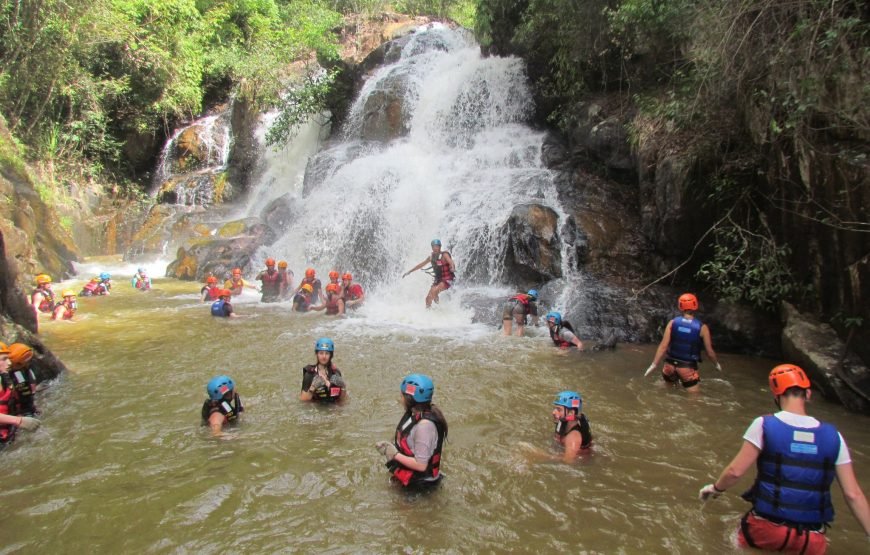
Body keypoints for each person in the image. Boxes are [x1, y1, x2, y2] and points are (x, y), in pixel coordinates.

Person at [699, 364, 870, 553]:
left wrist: (715, 489)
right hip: (811, 538)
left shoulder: (764, 424)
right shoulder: (834, 436)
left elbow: (734, 472)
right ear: (808, 394)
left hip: (766, 528)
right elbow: (853, 494)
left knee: (731, 539)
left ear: (776, 395)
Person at [375, 373, 447, 488]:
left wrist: (394, 454)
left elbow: (421, 465)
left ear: (409, 399)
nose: (400, 399)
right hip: (411, 478)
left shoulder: (424, 427)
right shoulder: (414, 415)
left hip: (421, 485)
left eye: (402, 396)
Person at [644, 293, 721, 392]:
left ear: (680, 306)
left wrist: (653, 365)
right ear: (695, 306)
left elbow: (663, 346)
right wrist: (716, 364)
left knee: (667, 393)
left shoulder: (672, 323)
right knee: (694, 401)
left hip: (669, 367)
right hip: (687, 368)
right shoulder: (702, 328)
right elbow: (709, 352)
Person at [0, 343, 41, 447]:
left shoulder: (4, 379)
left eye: (9, 358)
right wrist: (18, 421)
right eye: (4, 359)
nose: (9, 363)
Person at [402, 239, 456, 308]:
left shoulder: (444, 255)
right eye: (433, 246)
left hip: (447, 279)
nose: (435, 248)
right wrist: (409, 271)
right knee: (428, 299)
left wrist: (452, 267)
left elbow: (451, 262)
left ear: (440, 247)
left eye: (437, 246)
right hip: (438, 280)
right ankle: (431, 312)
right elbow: (421, 265)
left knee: (434, 292)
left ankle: (439, 304)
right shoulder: (431, 257)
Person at [299, 338, 346, 403]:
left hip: (333, 410)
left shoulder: (336, 373)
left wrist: (343, 388)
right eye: (321, 353)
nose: (324, 356)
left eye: (327, 353)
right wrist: (312, 388)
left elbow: (342, 400)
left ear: (331, 355)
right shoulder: (309, 375)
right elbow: (303, 401)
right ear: (317, 354)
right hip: (316, 409)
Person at [552, 390, 592, 462]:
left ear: (571, 413)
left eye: (558, 409)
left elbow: (568, 461)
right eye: (554, 408)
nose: (553, 412)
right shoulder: (563, 422)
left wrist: (540, 455)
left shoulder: (573, 438)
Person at [6, 343, 39, 416]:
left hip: (26, 408)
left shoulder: (23, 372)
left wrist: (33, 406)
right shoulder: (8, 375)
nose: (28, 364)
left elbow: (26, 391)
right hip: (17, 411)